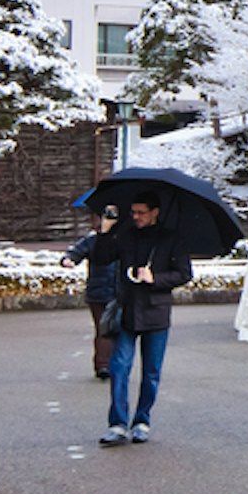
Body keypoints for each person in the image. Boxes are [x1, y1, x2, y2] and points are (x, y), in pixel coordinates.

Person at [99, 191, 193, 447]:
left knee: (151, 373)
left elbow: (185, 273)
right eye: (133, 212)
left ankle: (142, 421)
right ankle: (117, 424)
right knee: (119, 368)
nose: (136, 217)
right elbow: (102, 258)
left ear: (155, 212)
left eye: (141, 212)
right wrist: (106, 232)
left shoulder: (172, 239)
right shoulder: (126, 235)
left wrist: (156, 279)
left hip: (156, 313)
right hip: (127, 311)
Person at [62, 206, 119, 381]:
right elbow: (76, 251)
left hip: (119, 291)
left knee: (117, 328)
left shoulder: (124, 239)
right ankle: (103, 364)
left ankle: (113, 363)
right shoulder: (93, 240)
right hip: (99, 291)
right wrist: (69, 260)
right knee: (103, 328)